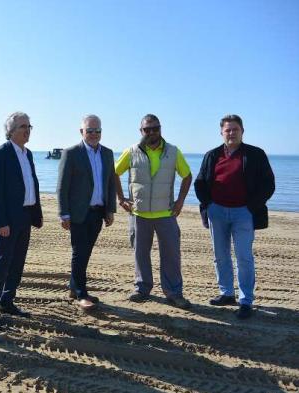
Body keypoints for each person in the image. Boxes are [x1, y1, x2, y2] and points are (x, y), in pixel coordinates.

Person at [194, 114, 275, 320]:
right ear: (221, 132)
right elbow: (200, 183)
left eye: (235, 129)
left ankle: (246, 300)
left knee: (244, 257)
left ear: (242, 131)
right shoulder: (212, 155)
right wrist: (208, 205)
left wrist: (251, 207)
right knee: (220, 255)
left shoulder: (256, 154)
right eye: (227, 130)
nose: (231, 133)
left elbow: (268, 184)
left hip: (244, 213)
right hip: (217, 212)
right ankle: (227, 294)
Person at [114, 114, 192, 309]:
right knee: (140, 254)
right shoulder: (132, 151)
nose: (151, 132)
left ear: (160, 129)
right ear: (141, 131)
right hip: (139, 215)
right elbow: (113, 173)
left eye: (154, 128)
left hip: (166, 214)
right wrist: (121, 198)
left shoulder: (173, 151)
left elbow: (187, 176)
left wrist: (180, 202)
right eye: (146, 129)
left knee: (171, 255)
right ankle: (142, 288)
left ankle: (174, 292)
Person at [0, 112, 43, 330]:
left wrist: (36, 214)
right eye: (22, 126)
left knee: (17, 262)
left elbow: (31, 184)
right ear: (11, 131)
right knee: (1, 264)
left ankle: (7, 301)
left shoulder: (28, 154)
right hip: (7, 219)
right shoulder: (1, 153)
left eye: (29, 126)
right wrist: (1, 222)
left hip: (25, 216)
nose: (27, 130)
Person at [57, 114, 116, 310]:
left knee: (86, 252)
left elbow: (110, 183)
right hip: (78, 213)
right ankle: (81, 294)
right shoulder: (72, 153)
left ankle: (75, 287)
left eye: (97, 131)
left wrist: (110, 210)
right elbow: (62, 186)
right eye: (89, 130)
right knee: (79, 253)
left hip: (98, 212)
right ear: (81, 131)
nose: (93, 134)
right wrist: (63, 214)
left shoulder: (107, 153)